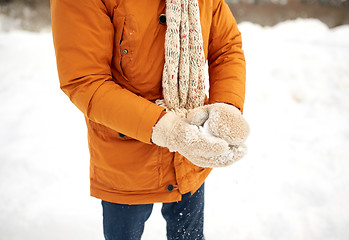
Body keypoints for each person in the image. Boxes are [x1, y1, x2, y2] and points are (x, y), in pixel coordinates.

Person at [51, 0, 248, 239]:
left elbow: (226, 47)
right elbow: (86, 81)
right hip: (126, 162)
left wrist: (227, 106)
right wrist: (170, 131)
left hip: (190, 155)